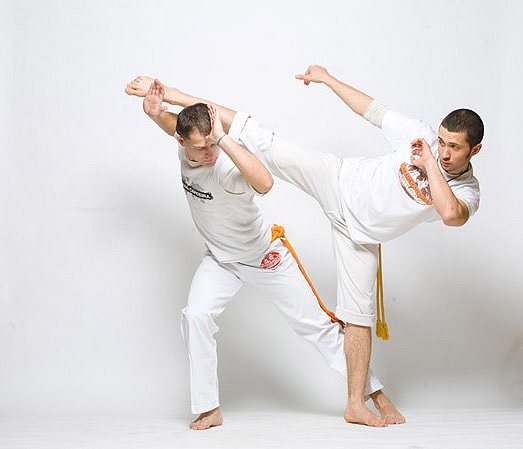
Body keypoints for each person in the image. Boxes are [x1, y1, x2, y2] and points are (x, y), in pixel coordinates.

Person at [126, 66, 483, 427]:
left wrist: (429, 163)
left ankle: (362, 401)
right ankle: (209, 408)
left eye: (454, 147)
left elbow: (450, 214)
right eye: (441, 142)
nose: (443, 151)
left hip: (349, 239)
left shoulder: (466, 190)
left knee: (353, 319)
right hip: (336, 181)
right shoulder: (419, 135)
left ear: (475, 150)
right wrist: (328, 80)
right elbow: (374, 111)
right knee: (261, 139)